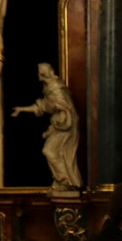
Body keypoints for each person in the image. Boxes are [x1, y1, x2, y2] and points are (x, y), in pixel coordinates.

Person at [12, 63, 82, 192]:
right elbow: (43, 106)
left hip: (65, 127)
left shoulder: (56, 89)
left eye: (39, 73)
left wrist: (59, 118)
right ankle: (61, 181)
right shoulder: (50, 89)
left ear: (44, 74)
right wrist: (21, 109)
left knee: (50, 151)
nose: (38, 76)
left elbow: (61, 107)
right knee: (52, 152)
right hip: (58, 126)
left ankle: (65, 180)